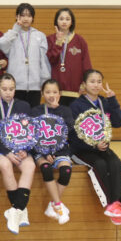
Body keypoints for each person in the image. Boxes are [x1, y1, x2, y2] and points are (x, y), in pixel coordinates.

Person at [70, 69, 121, 225]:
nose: (96, 85)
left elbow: (118, 122)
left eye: (99, 82)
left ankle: (117, 205)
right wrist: (94, 145)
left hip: (102, 147)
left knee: (116, 163)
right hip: (81, 150)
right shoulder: (76, 105)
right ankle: (111, 204)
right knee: (100, 164)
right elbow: (72, 135)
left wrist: (113, 100)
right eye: (92, 81)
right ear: (84, 84)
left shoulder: (105, 102)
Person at [0, 74, 36, 235]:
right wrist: (6, 152)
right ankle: (21, 210)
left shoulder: (24, 106)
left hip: (20, 149)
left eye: (11, 89)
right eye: (4, 89)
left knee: (30, 165)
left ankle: (15, 210)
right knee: (6, 165)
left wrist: (25, 149)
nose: (8, 92)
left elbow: (30, 131)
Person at [31, 79, 76, 224]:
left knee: (66, 171)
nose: (51, 95)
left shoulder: (65, 110)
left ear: (60, 93)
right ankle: (58, 205)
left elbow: (70, 129)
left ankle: (53, 205)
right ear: (42, 93)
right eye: (48, 92)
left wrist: (58, 112)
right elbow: (32, 136)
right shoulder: (35, 111)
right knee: (46, 168)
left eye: (55, 92)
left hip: (60, 150)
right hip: (41, 150)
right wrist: (44, 153)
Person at [0, 3, 50, 105]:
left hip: (35, 87)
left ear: (33, 18)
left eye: (29, 16)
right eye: (22, 15)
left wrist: (44, 83)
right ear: (17, 17)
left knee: (33, 113)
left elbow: (44, 62)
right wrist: (15, 29)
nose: (25, 18)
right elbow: (0, 44)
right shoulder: (12, 35)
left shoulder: (40, 36)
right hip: (14, 86)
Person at [47, 8, 93, 106]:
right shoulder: (50, 39)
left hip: (75, 90)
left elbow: (86, 64)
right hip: (55, 90)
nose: (64, 22)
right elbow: (51, 60)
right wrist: (58, 43)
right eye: (61, 19)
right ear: (56, 21)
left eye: (67, 19)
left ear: (72, 22)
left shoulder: (80, 41)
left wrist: (85, 83)